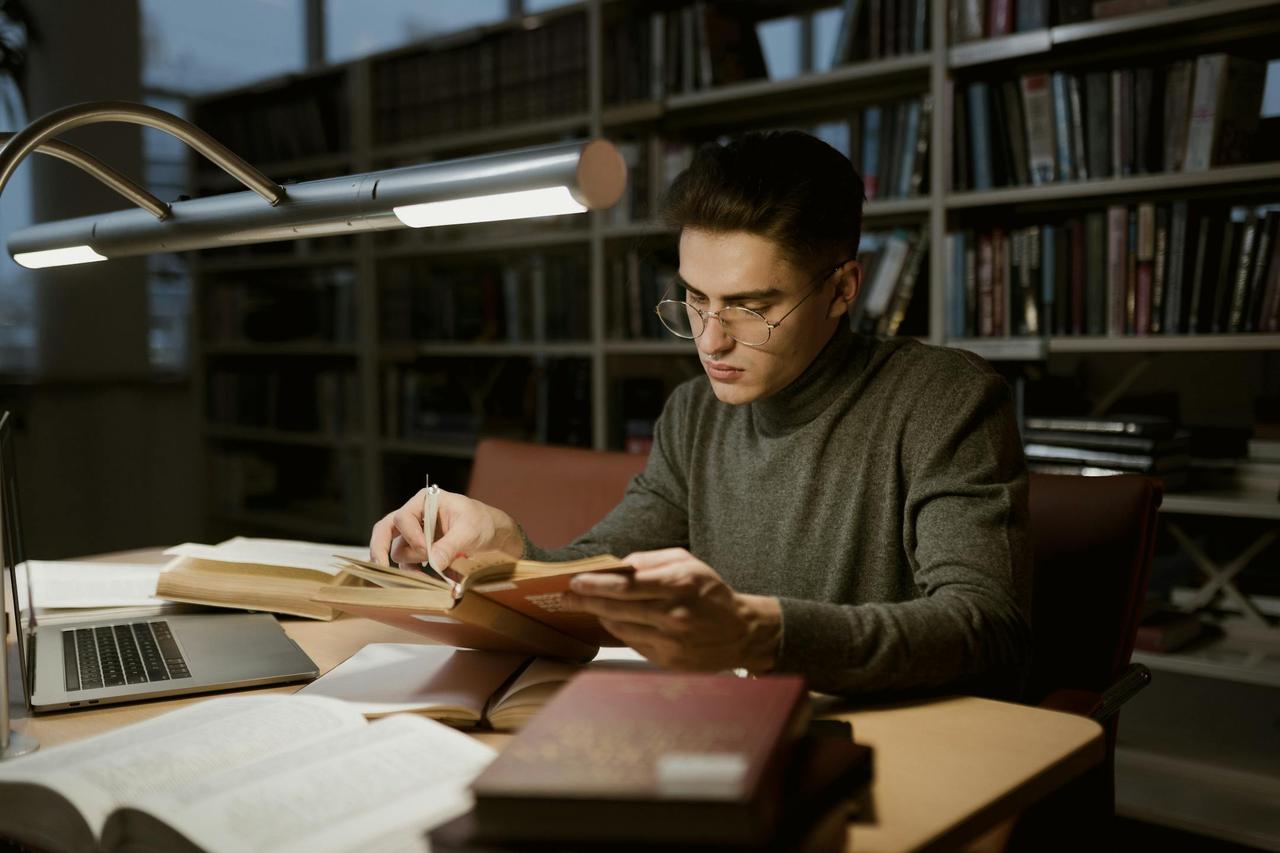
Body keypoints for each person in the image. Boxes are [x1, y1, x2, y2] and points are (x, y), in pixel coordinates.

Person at [370, 130, 1031, 699]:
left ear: (842, 289)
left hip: (891, 747)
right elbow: (608, 568)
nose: (711, 340)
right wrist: (510, 550)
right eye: (694, 298)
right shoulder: (693, 415)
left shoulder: (946, 400)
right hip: (729, 729)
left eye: (749, 307)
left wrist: (762, 633)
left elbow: (983, 624)